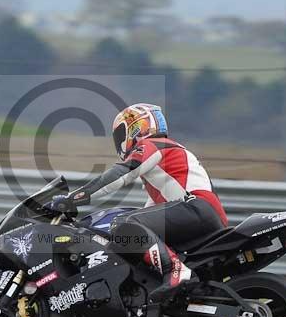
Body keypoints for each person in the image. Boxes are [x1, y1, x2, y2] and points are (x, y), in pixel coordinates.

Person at [56, 103, 229, 304]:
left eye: (122, 134)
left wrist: (74, 198)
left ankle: (176, 271)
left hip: (196, 209)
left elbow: (120, 174)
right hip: (198, 214)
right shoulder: (160, 174)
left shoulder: (154, 145)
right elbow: (145, 221)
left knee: (123, 223)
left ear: (139, 127)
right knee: (129, 229)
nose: (120, 141)